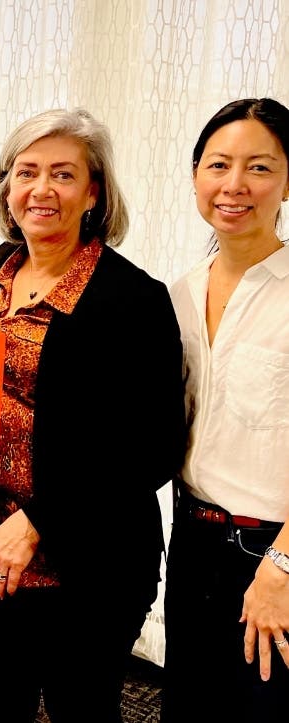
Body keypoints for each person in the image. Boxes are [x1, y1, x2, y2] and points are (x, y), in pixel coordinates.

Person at [0, 109, 186, 722]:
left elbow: (154, 446)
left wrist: (38, 522)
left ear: (93, 193)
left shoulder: (133, 299)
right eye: (27, 172)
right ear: (7, 188)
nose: (42, 189)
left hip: (89, 563)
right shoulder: (0, 271)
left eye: (63, 174)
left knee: (80, 711)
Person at [162, 98, 289, 722]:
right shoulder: (179, 294)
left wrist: (281, 569)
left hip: (274, 552)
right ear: (195, 176)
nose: (234, 185)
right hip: (193, 543)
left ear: (288, 183)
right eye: (218, 165)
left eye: (259, 168)